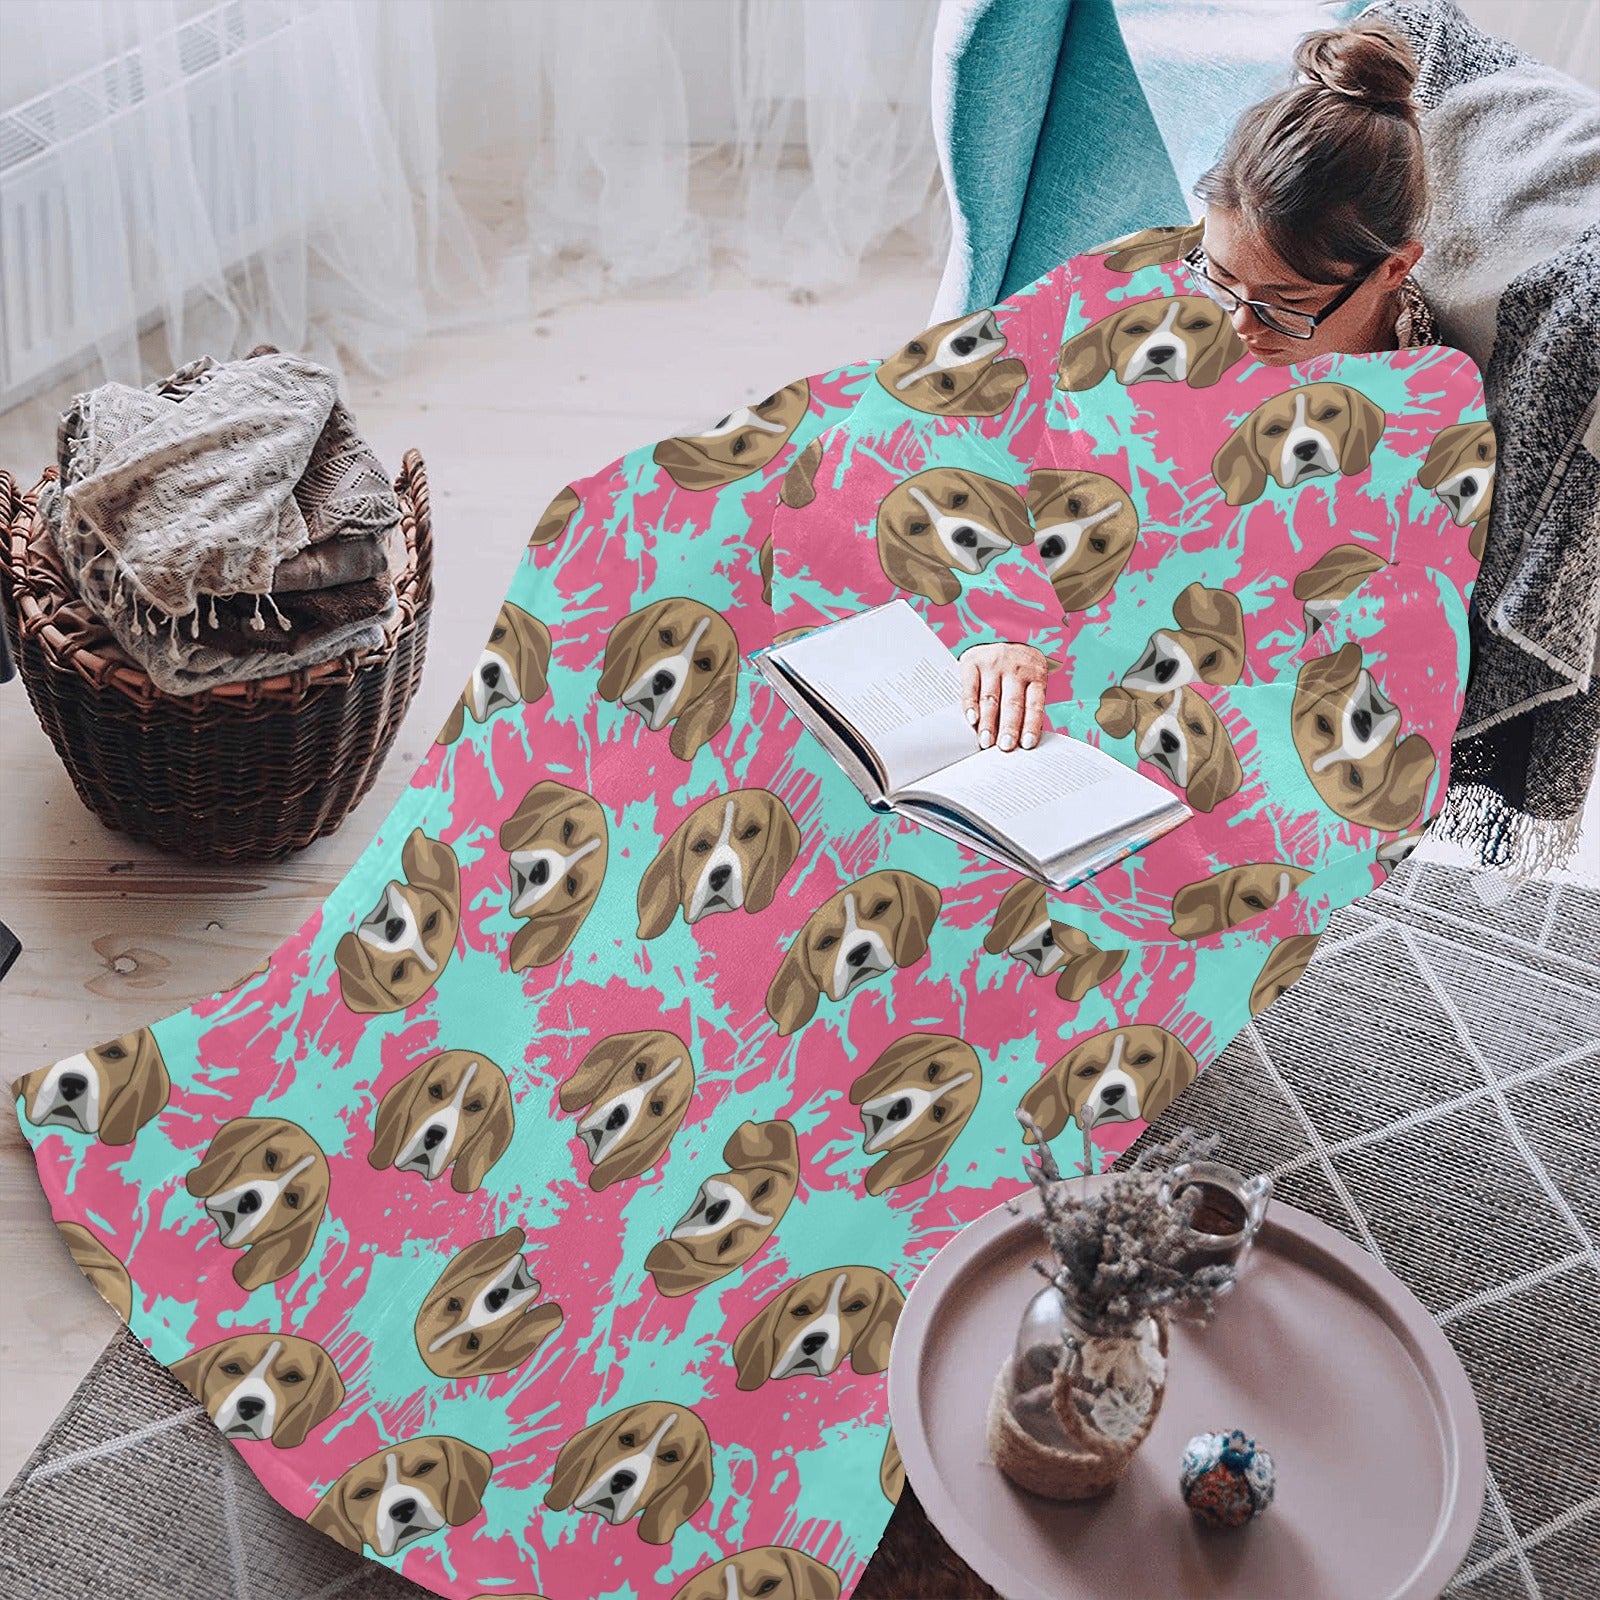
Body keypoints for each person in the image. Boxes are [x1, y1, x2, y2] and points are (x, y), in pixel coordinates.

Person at [961, 16, 1439, 755]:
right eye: (1219, 276)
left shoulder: (1417, 431)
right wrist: (1008, 624)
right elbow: (1005, 443)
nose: (1239, 325)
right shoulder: (1156, 304)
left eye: (1284, 303)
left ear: (1394, 269)